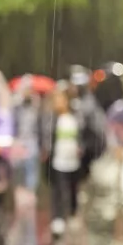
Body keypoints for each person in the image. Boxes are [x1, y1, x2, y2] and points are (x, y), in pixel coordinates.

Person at [45, 87, 82, 236]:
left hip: (74, 161)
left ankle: (73, 213)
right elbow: (48, 138)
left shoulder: (76, 117)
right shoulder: (53, 119)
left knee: (73, 189)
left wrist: (81, 147)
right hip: (58, 160)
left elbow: (83, 135)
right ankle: (58, 218)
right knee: (58, 190)